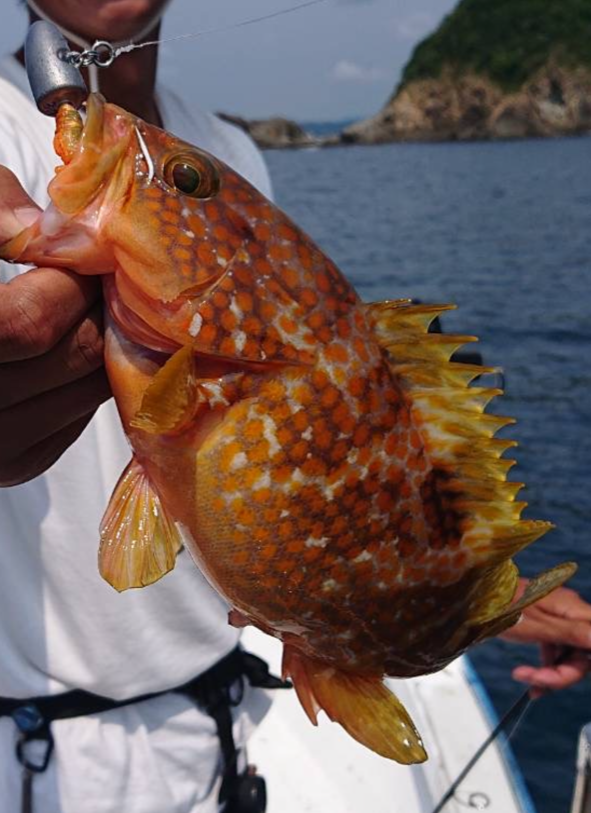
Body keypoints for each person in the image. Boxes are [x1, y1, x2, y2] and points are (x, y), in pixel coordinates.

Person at [0, 2, 589, 812]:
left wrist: (481, 596)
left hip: (239, 709)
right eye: (187, 181)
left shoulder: (228, 145)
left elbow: (339, 472)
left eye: (186, 181)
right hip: (51, 756)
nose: (175, 172)